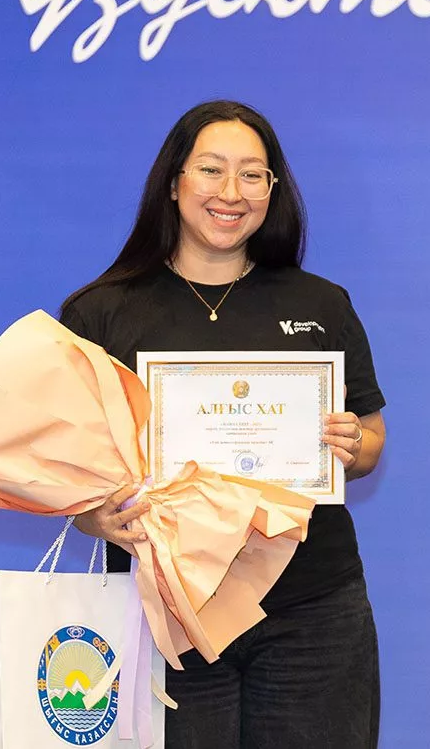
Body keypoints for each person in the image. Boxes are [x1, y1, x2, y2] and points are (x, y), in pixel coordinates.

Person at [59, 100, 387, 749]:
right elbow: (69, 470)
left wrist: (354, 446)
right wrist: (94, 517)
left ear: (273, 189)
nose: (231, 192)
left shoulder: (321, 304)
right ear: (173, 181)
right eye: (211, 170)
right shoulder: (101, 313)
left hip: (312, 610)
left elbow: (371, 440)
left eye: (252, 175)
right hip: (166, 612)